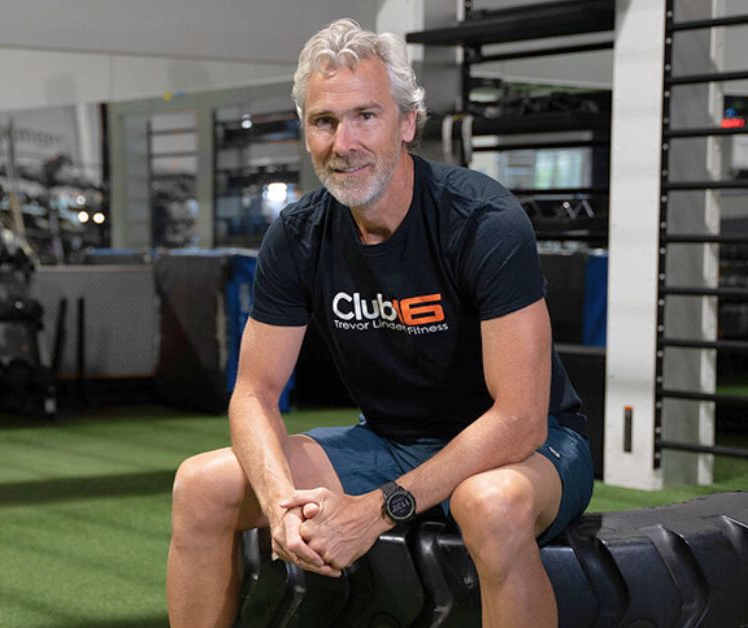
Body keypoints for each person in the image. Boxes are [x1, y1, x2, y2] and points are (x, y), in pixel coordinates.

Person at [166, 17, 594, 628]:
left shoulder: (483, 221)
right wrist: (280, 502)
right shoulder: (297, 236)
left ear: (407, 123)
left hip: (532, 447)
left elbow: (519, 417)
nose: (345, 143)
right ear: (306, 131)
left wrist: (377, 509)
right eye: (325, 121)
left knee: (487, 503)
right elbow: (254, 393)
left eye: (366, 115)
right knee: (200, 486)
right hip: (393, 441)